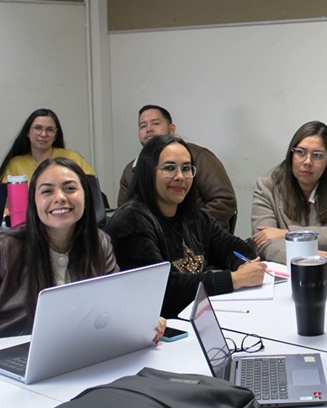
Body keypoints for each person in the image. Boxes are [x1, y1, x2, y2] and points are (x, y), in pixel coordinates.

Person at [0, 158, 165, 376]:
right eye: (47, 191)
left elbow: (114, 306)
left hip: (72, 361)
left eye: (70, 188)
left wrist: (141, 322)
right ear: (34, 201)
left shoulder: (100, 243)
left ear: (87, 196)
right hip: (7, 364)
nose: (60, 198)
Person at [106, 135, 266, 318]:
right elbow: (164, 290)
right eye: (169, 168)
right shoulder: (131, 221)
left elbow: (237, 248)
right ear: (148, 172)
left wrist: (242, 266)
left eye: (186, 168)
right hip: (158, 330)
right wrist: (233, 279)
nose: (180, 177)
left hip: (198, 317)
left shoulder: (194, 217)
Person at [251, 121, 327, 273]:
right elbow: (264, 243)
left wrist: (289, 234)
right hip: (285, 274)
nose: (307, 162)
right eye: (300, 152)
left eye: (317, 155)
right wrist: (305, 256)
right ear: (291, 154)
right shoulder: (267, 188)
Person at [117, 105, 237, 232]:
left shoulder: (198, 157)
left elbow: (225, 200)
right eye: (142, 126)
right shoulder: (131, 170)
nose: (149, 129)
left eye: (155, 123)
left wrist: (185, 227)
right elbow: (125, 212)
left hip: (198, 237)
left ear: (171, 128)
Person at [0, 108, 95, 182]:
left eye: (50, 130)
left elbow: (92, 190)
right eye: (38, 128)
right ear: (27, 132)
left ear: (56, 135)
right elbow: (4, 200)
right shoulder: (15, 164)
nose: (43, 134)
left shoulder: (73, 158)